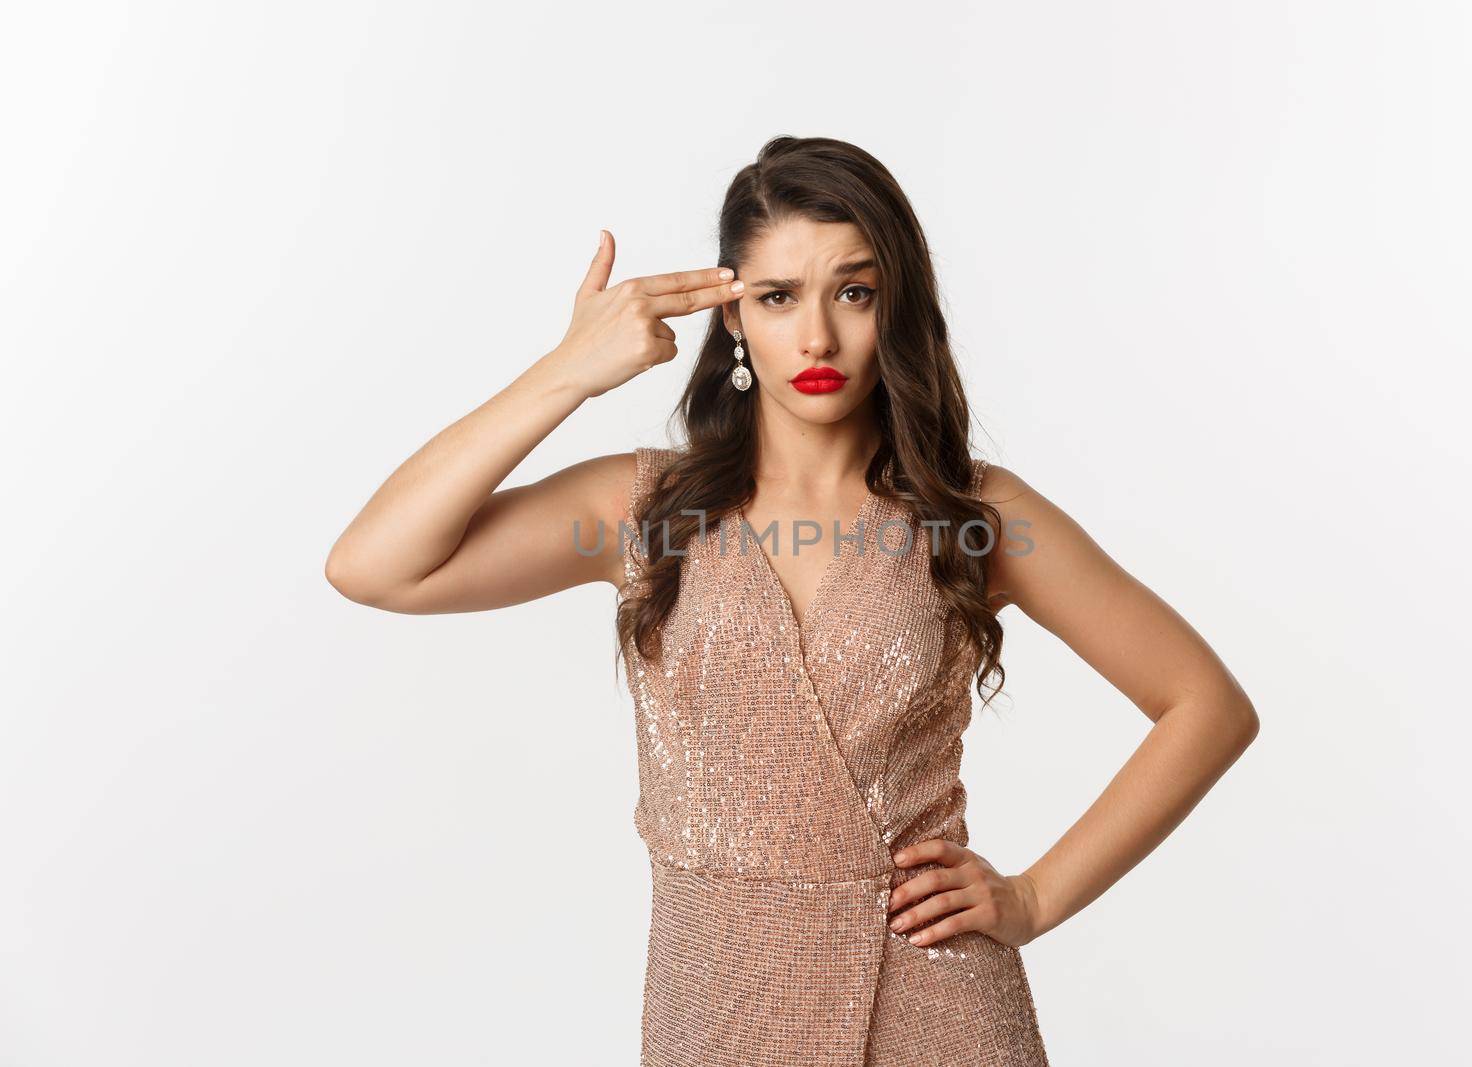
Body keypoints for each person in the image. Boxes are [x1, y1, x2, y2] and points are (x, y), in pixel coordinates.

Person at [325, 135, 1260, 1066]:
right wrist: (568, 369)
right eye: (778, 297)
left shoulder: (972, 515)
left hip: (935, 1005)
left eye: (853, 291)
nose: (817, 337)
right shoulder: (643, 510)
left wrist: (1035, 897)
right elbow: (375, 565)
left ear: (894, 304)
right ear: (732, 316)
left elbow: (1206, 705)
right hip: (715, 1008)